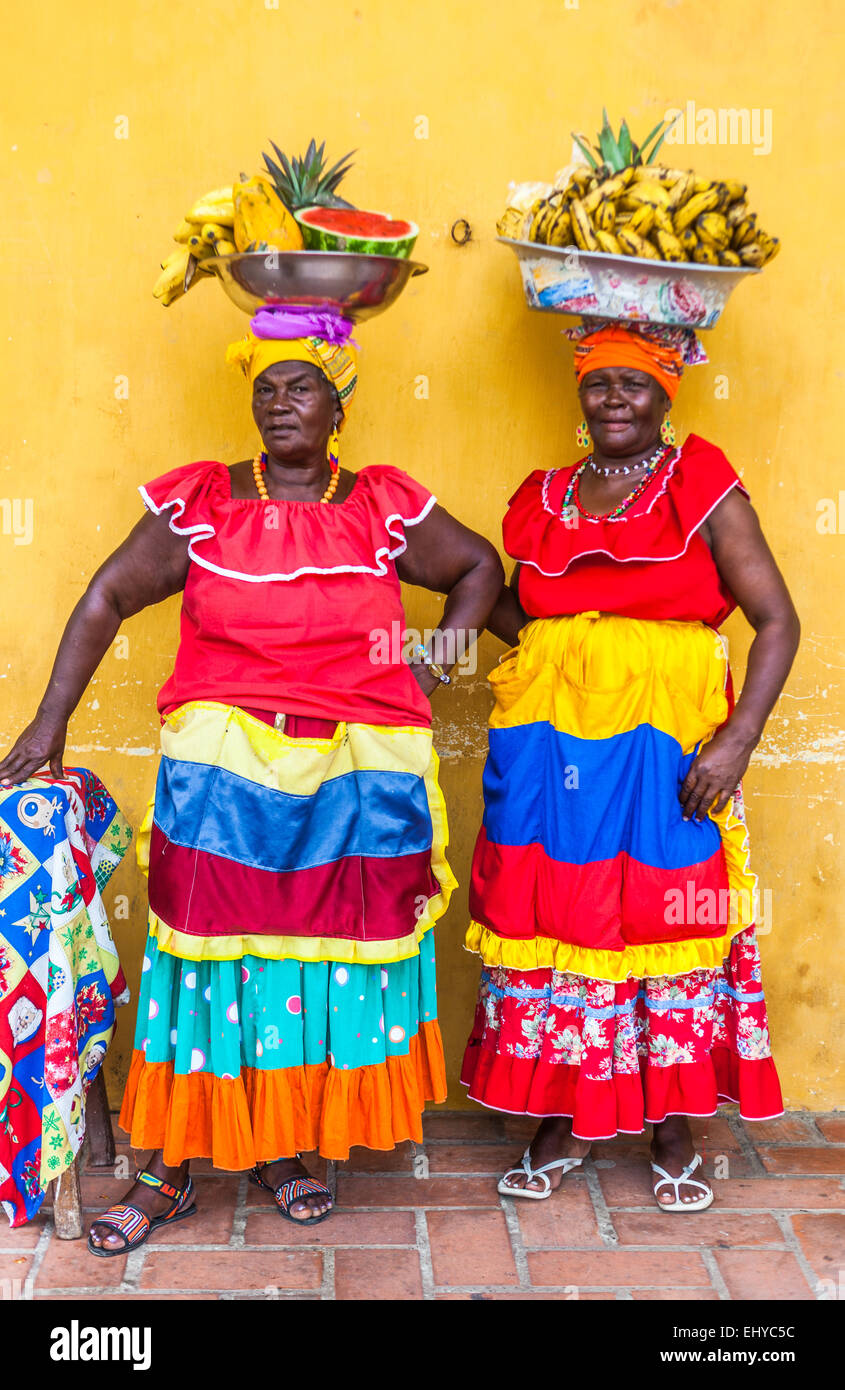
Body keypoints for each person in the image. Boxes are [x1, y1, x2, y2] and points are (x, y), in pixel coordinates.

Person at [0, 309, 503, 1249]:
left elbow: (479, 566)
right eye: (264, 388)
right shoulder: (206, 501)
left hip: (356, 773)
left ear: (337, 404)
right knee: (202, 956)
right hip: (222, 767)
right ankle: (171, 1168)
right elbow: (108, 595)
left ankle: (279, 1147)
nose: (278, 403)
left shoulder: (382, 504)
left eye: (299, 385)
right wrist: (49, 718)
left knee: (310, 963)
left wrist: (427, 666)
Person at [461, 321, 799, 1211]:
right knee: (557, 912)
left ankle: (672, 1120)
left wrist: (737, 739)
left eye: (634, 384)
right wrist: (550, 647)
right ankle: (564, 1114)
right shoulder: (544, 496)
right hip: (550, 750)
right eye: (599, 383)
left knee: (656, 911)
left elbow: (775, 619)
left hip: (665, 750)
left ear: (665, 393)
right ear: (580, 394)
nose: (614, 399)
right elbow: (518, 608)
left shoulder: (701, 485)